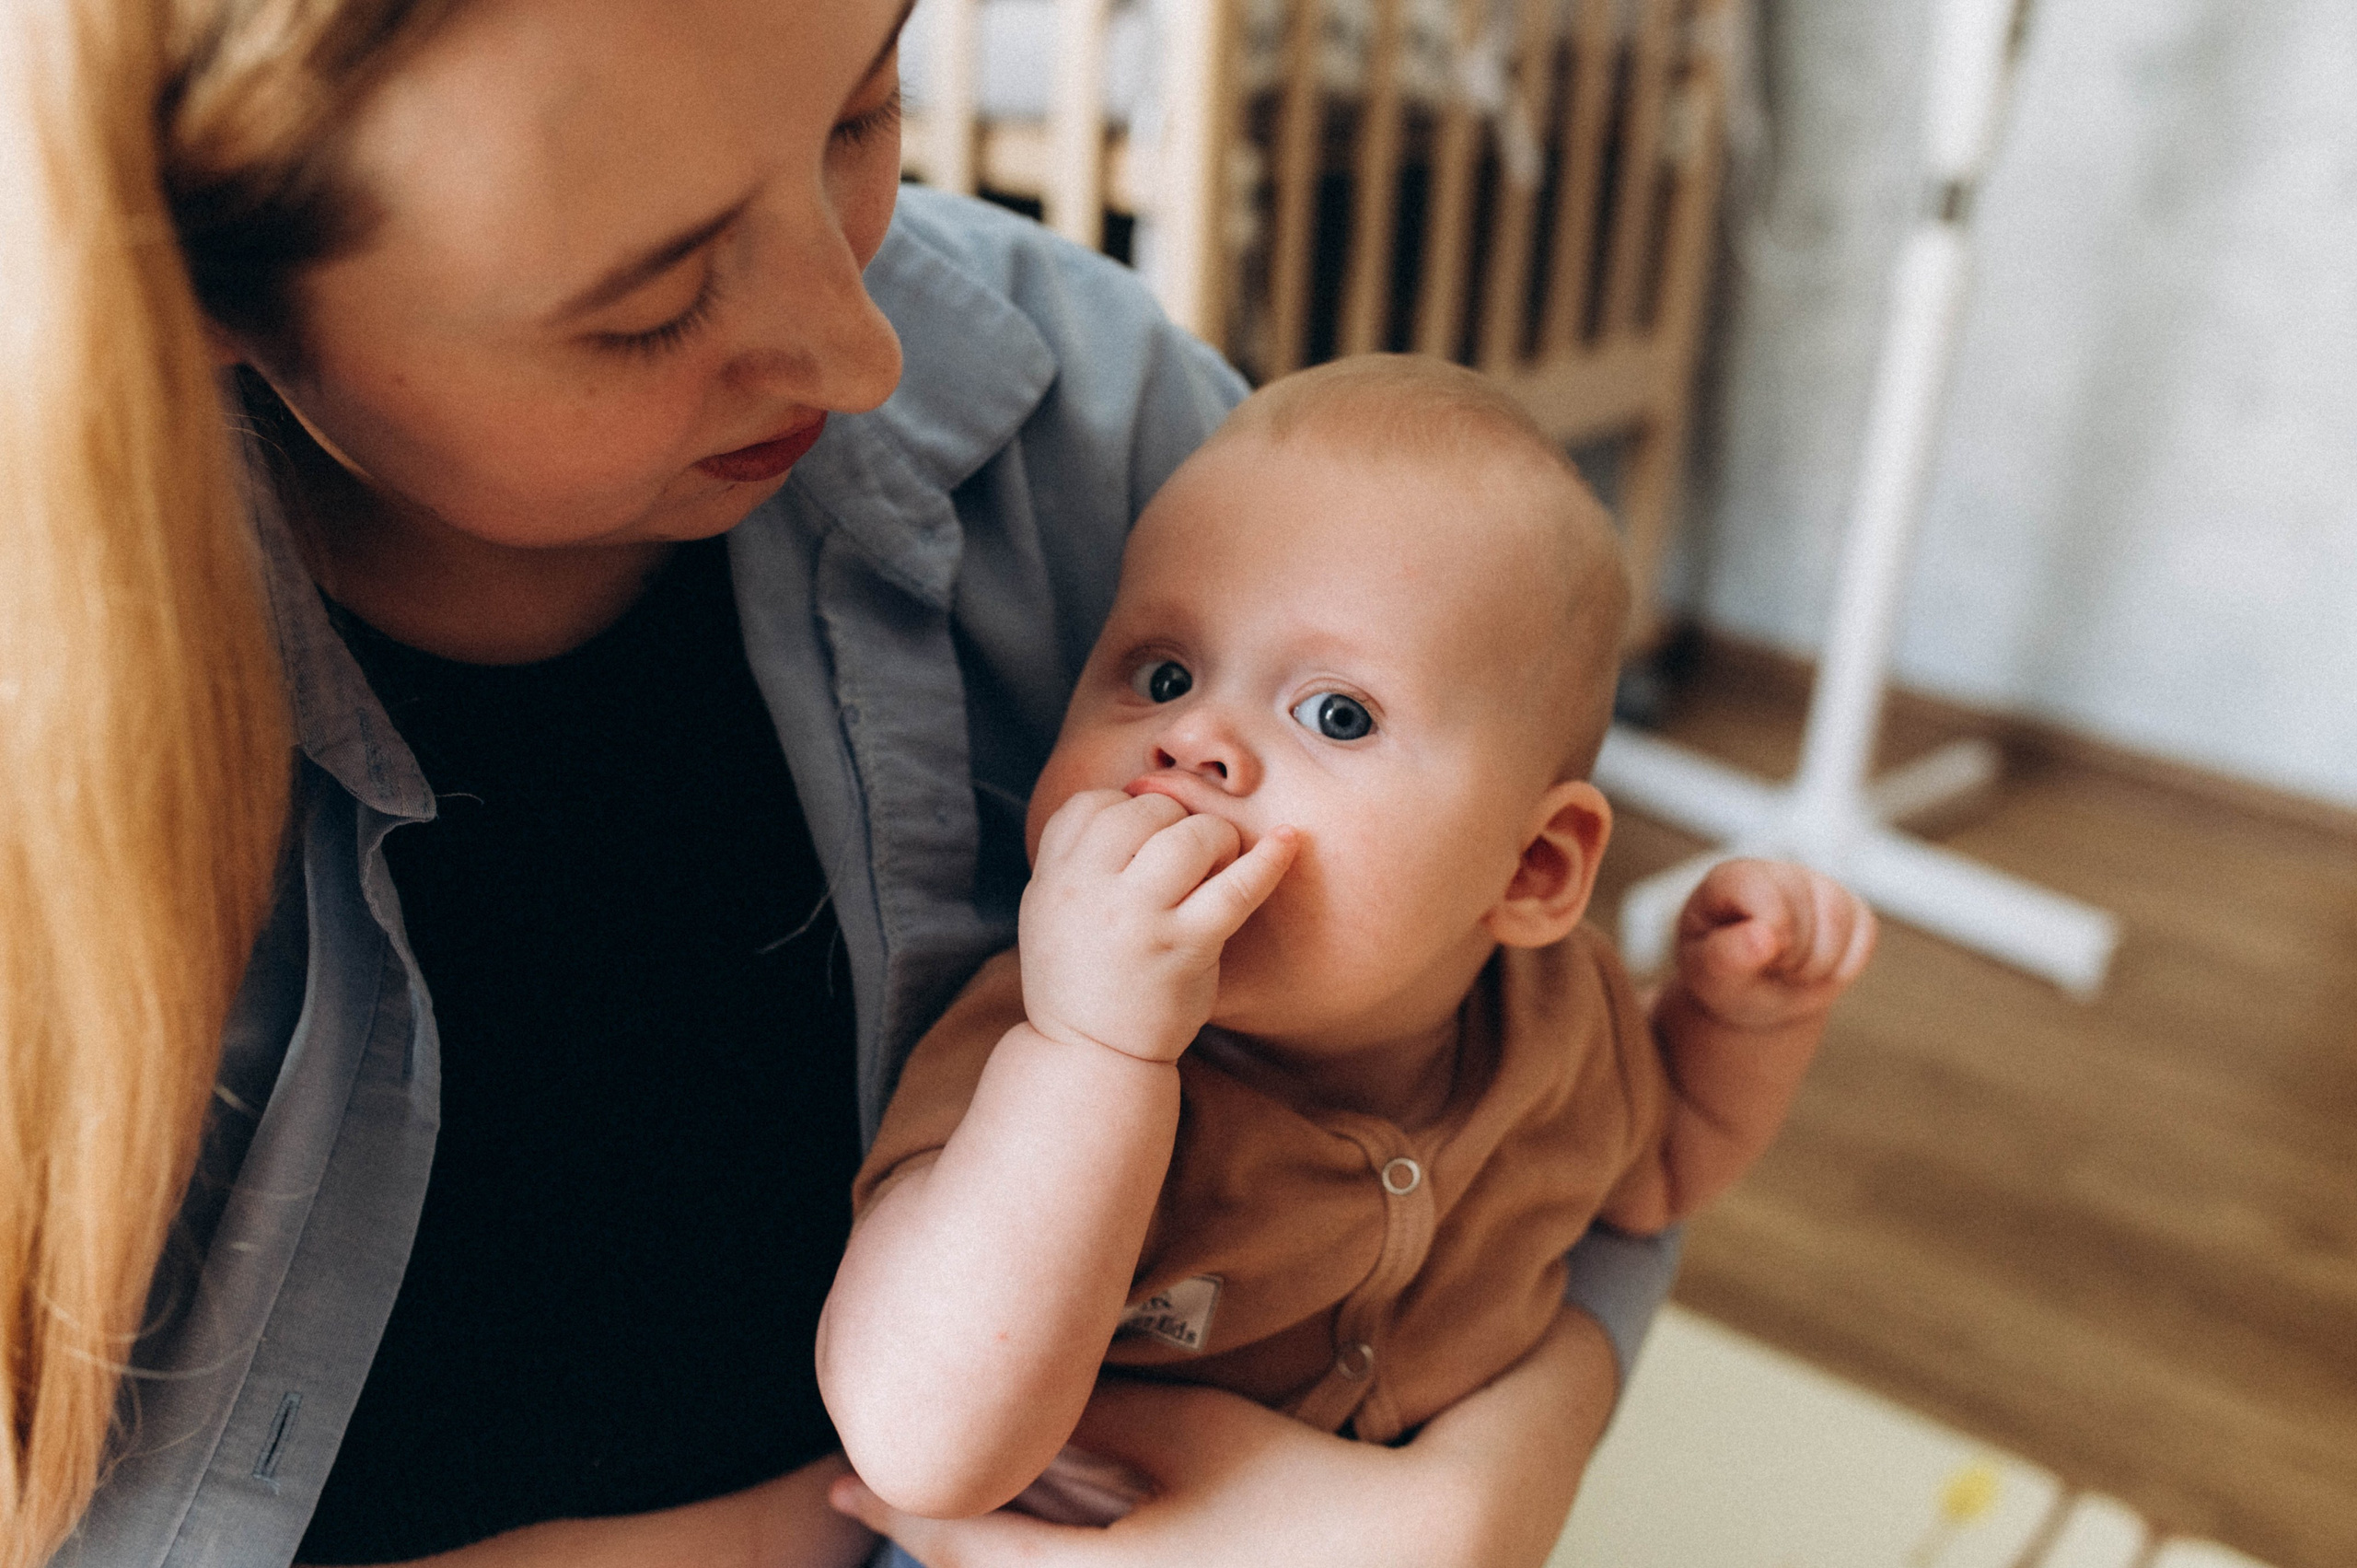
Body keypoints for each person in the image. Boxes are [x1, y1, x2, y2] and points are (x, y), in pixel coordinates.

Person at [3, 5, 1680, 1567]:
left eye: (864, 110)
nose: (863, 350)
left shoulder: (1080, 412)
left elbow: (1518, 1059)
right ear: (204, 293)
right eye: (650, 300)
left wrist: (1498, 1470)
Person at [817, 357, 1878, 1524]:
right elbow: (918, 1443)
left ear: (1531, 870)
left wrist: (1737, 1018)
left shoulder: (1555, 1016)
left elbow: (1658, 1175)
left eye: (1336, 712)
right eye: (1160, 673)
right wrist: (1094, 1053)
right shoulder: (1029, 1043)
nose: (1195, 739)